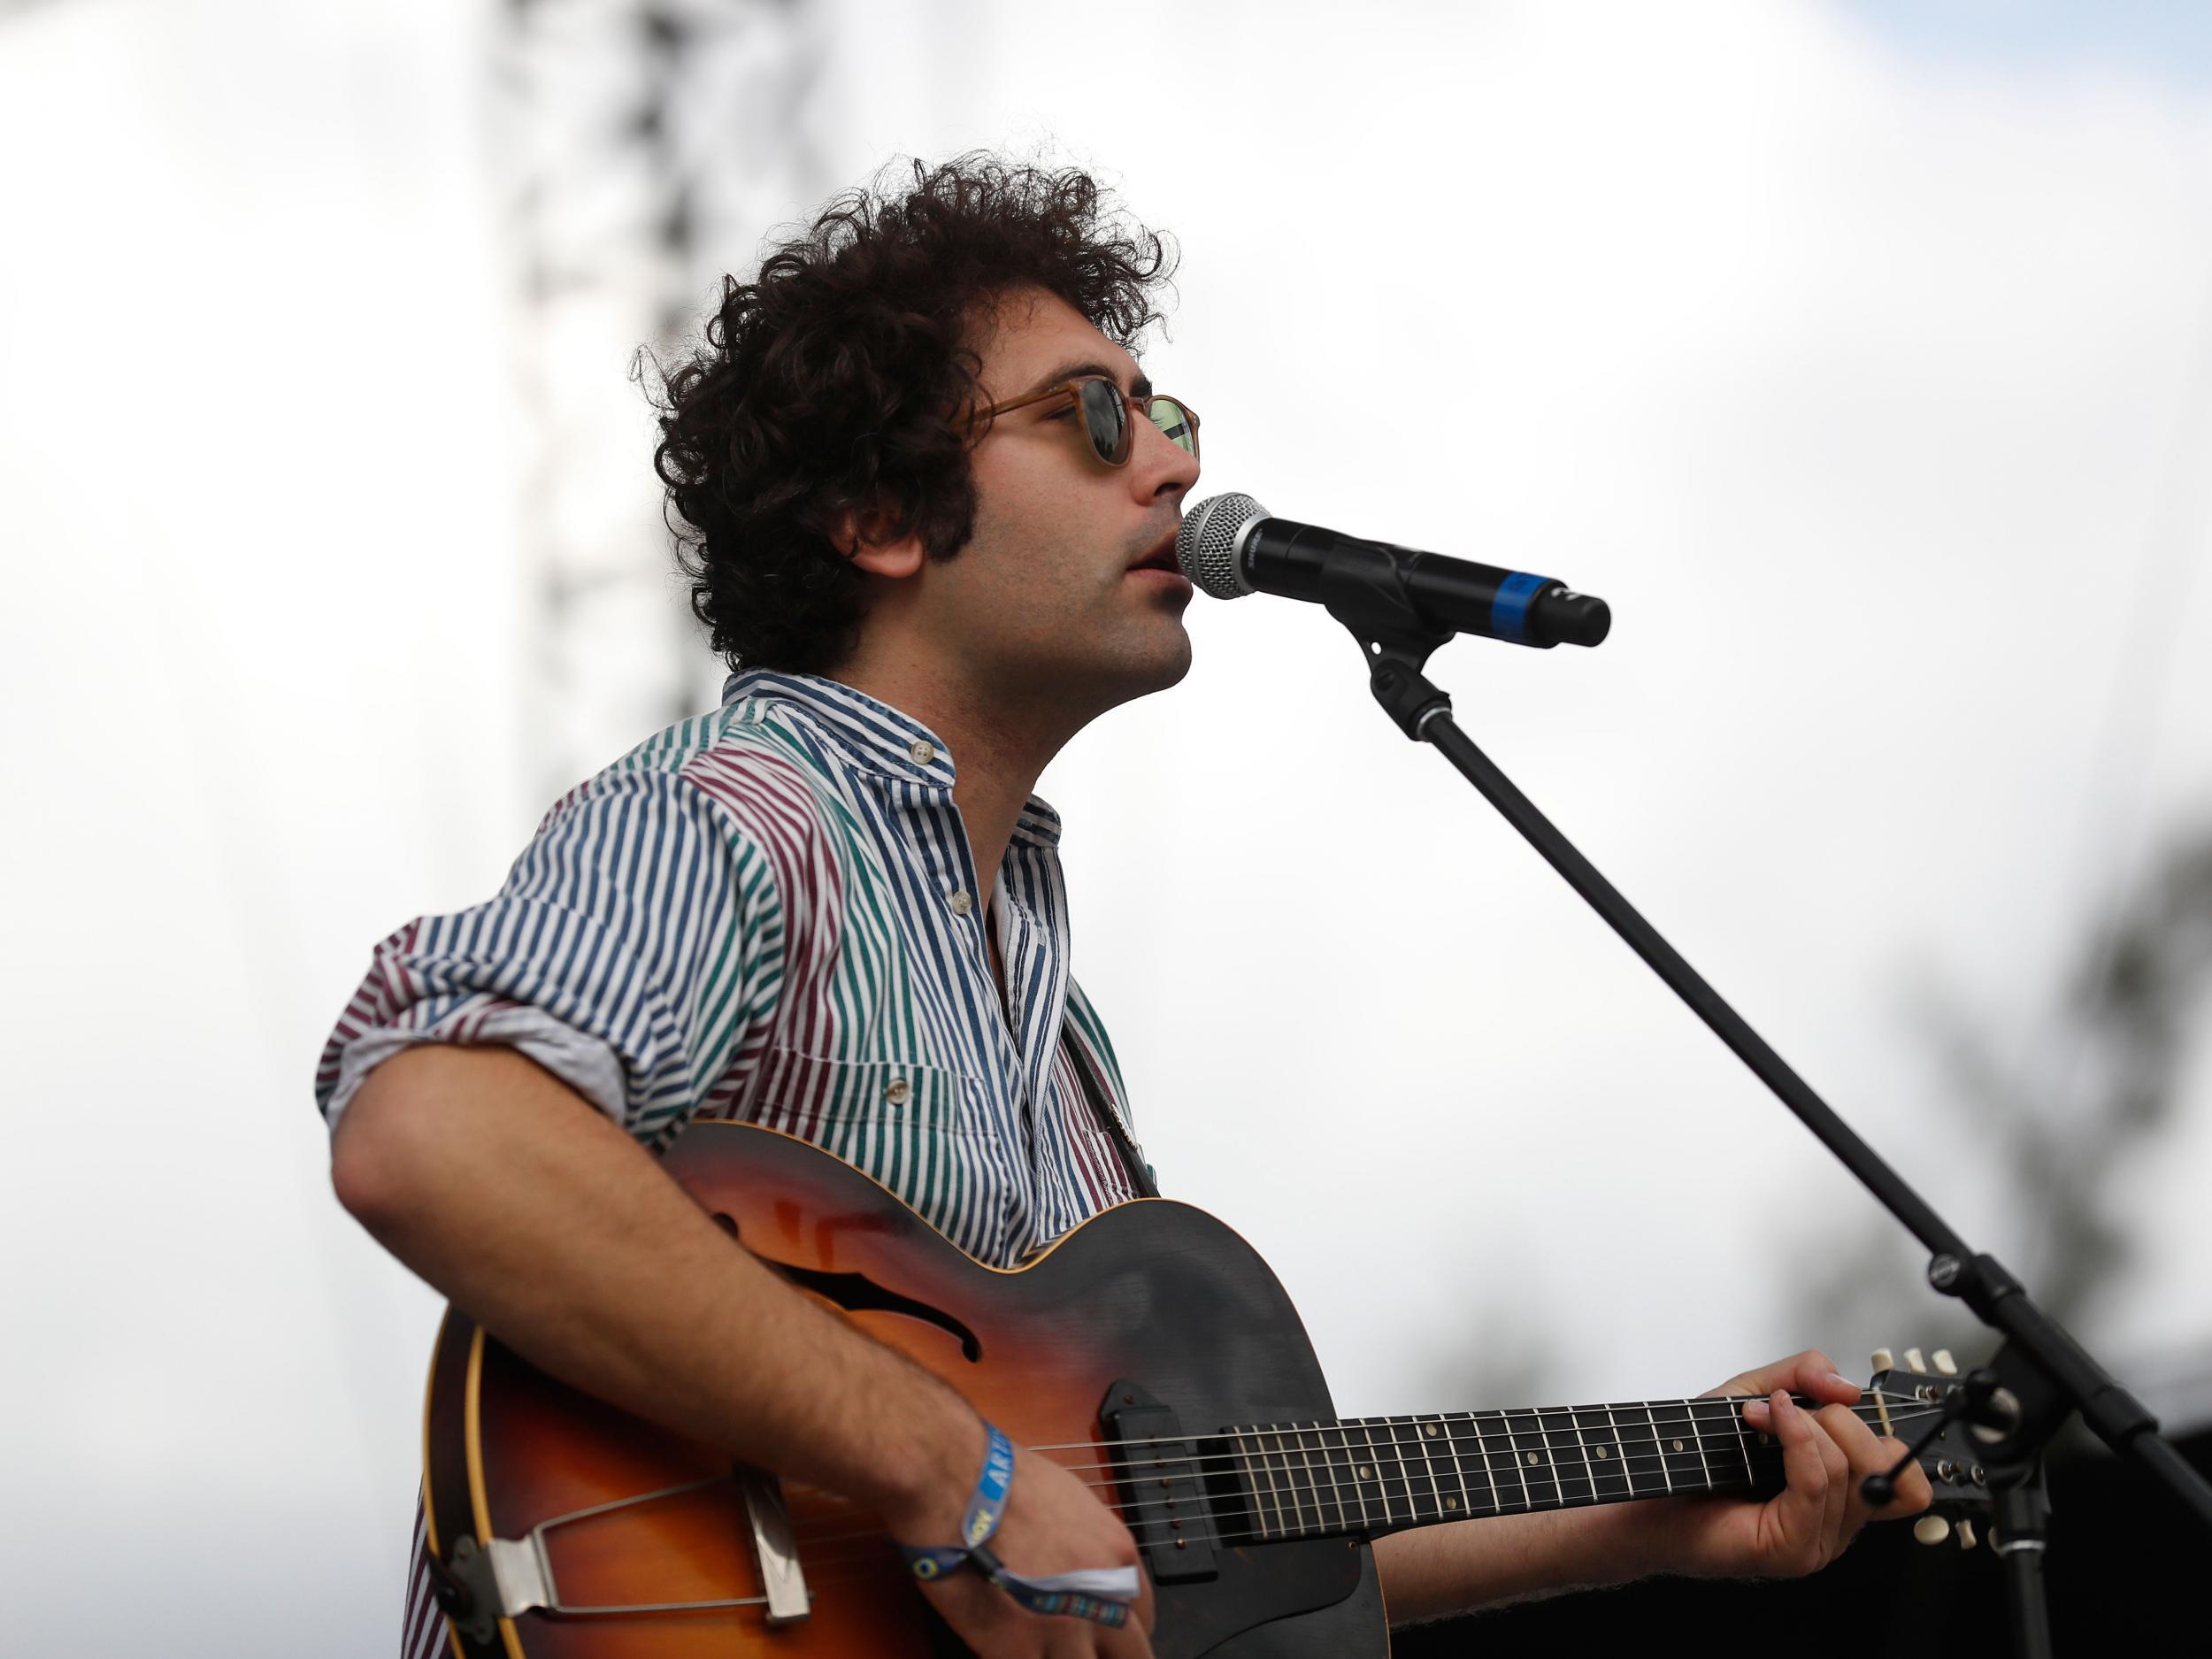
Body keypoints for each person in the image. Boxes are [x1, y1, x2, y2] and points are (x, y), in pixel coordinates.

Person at [318, 154, 1931, 1659]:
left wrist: (1662, 1511)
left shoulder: (1054, 1022)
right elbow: (432, 1129)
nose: (1173, 459)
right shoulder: (739, 822)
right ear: (880, 520)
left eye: (1167, 412)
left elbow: (1191, 1536)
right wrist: (944, 1461)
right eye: (1094, 417)